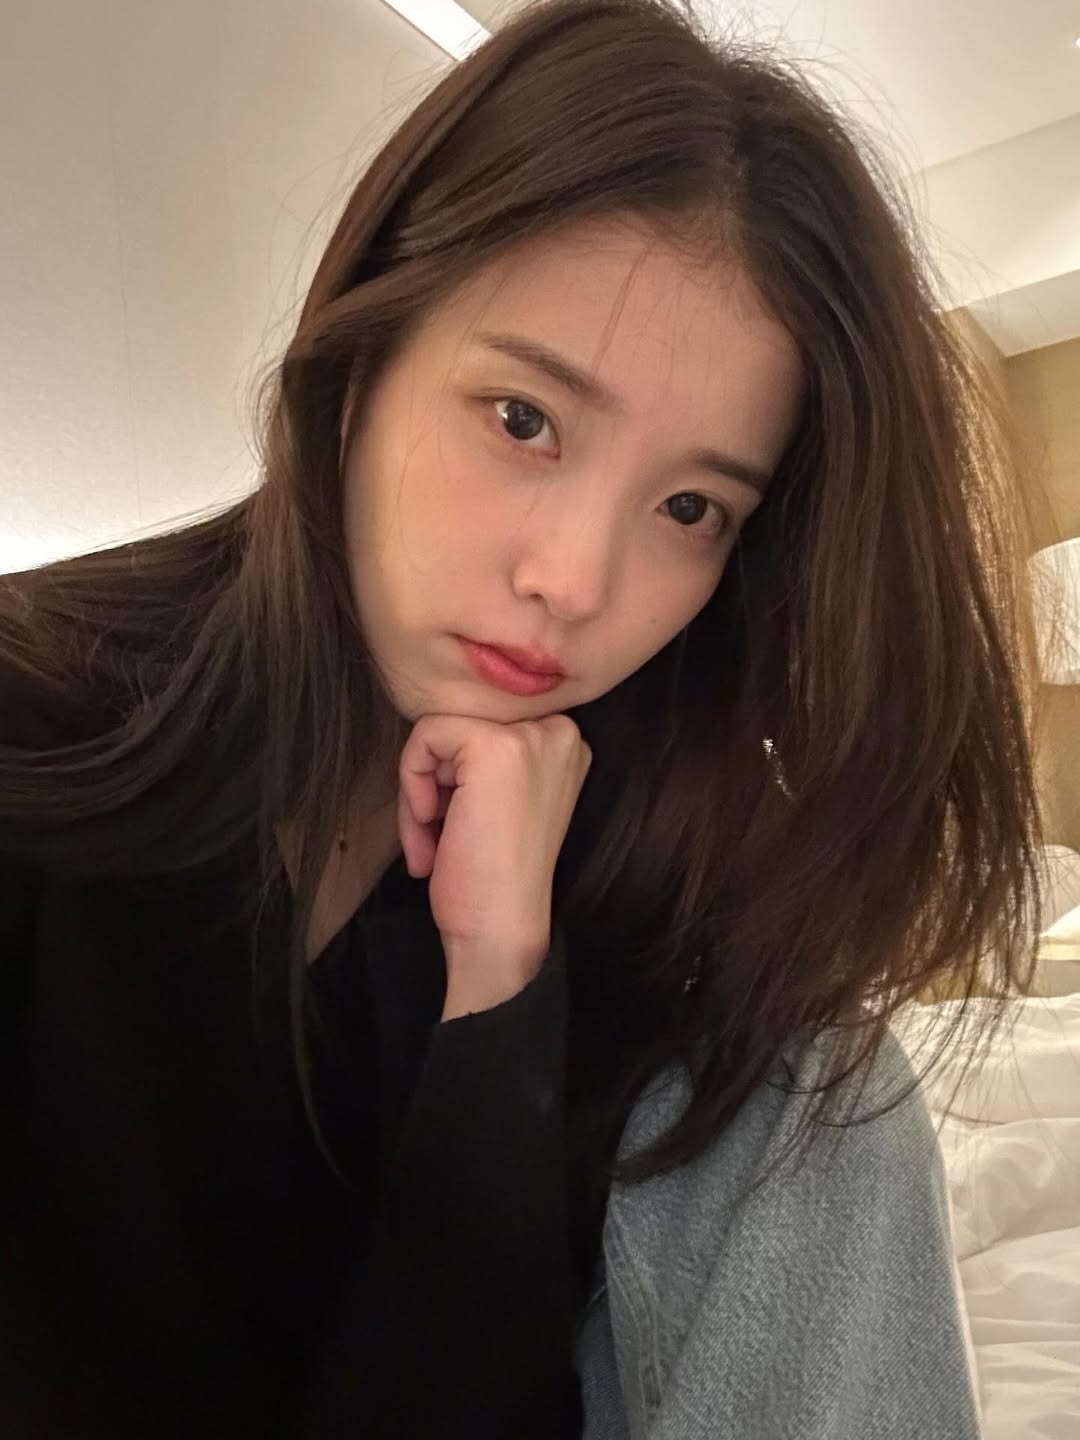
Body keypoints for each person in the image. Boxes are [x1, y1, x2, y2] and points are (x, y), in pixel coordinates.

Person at [0, 0, 1044, 1435]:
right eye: (524, 420)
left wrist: (500, 989)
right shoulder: (40, 726)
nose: (575, 583)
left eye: (692, 507)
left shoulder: (672, 914)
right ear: (361, 360)